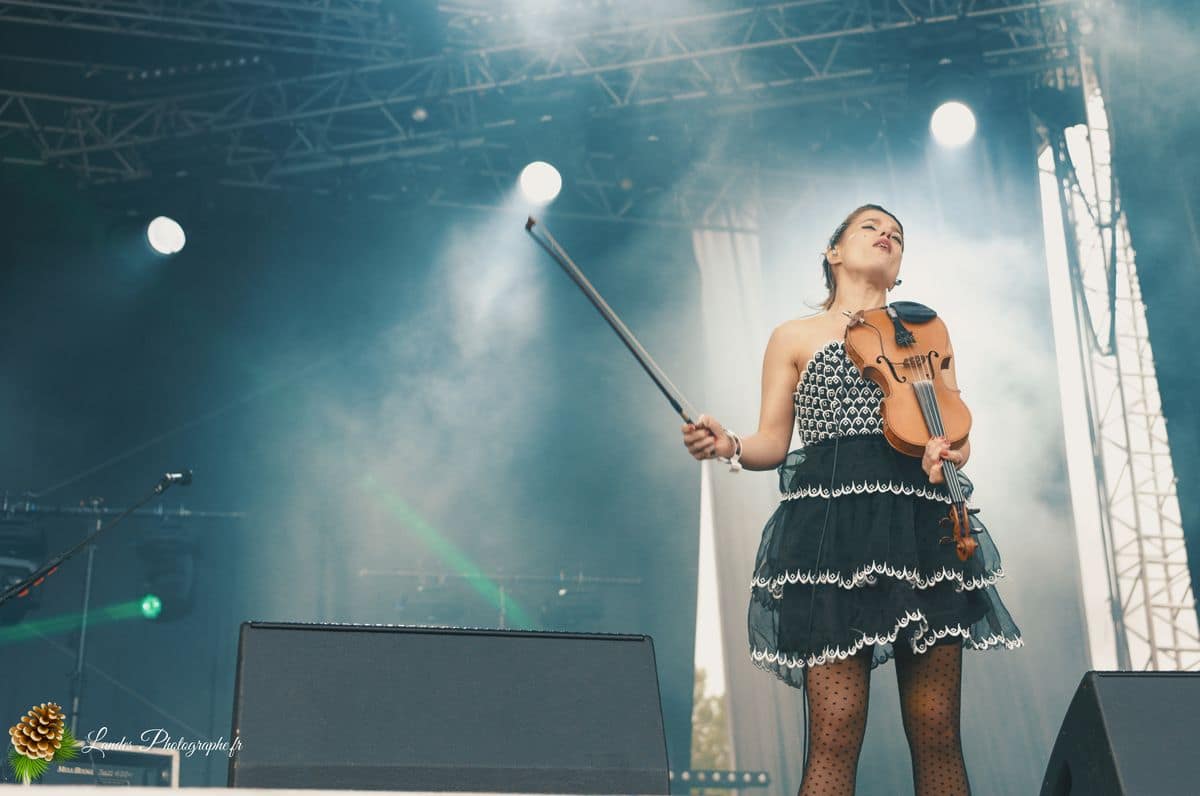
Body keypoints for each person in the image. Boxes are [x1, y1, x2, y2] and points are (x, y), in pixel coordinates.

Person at [680, 204, 1023, 796]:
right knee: (835, 731)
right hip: (832, 533)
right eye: (871, 226)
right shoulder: (793, 336)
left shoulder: (926, 331)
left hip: (920, 522)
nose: (887, 234)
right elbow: (770, 441)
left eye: (898, 235)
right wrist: (729, 443)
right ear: (833, 252)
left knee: (938, 728)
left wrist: (949, 453)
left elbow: (953, 429)